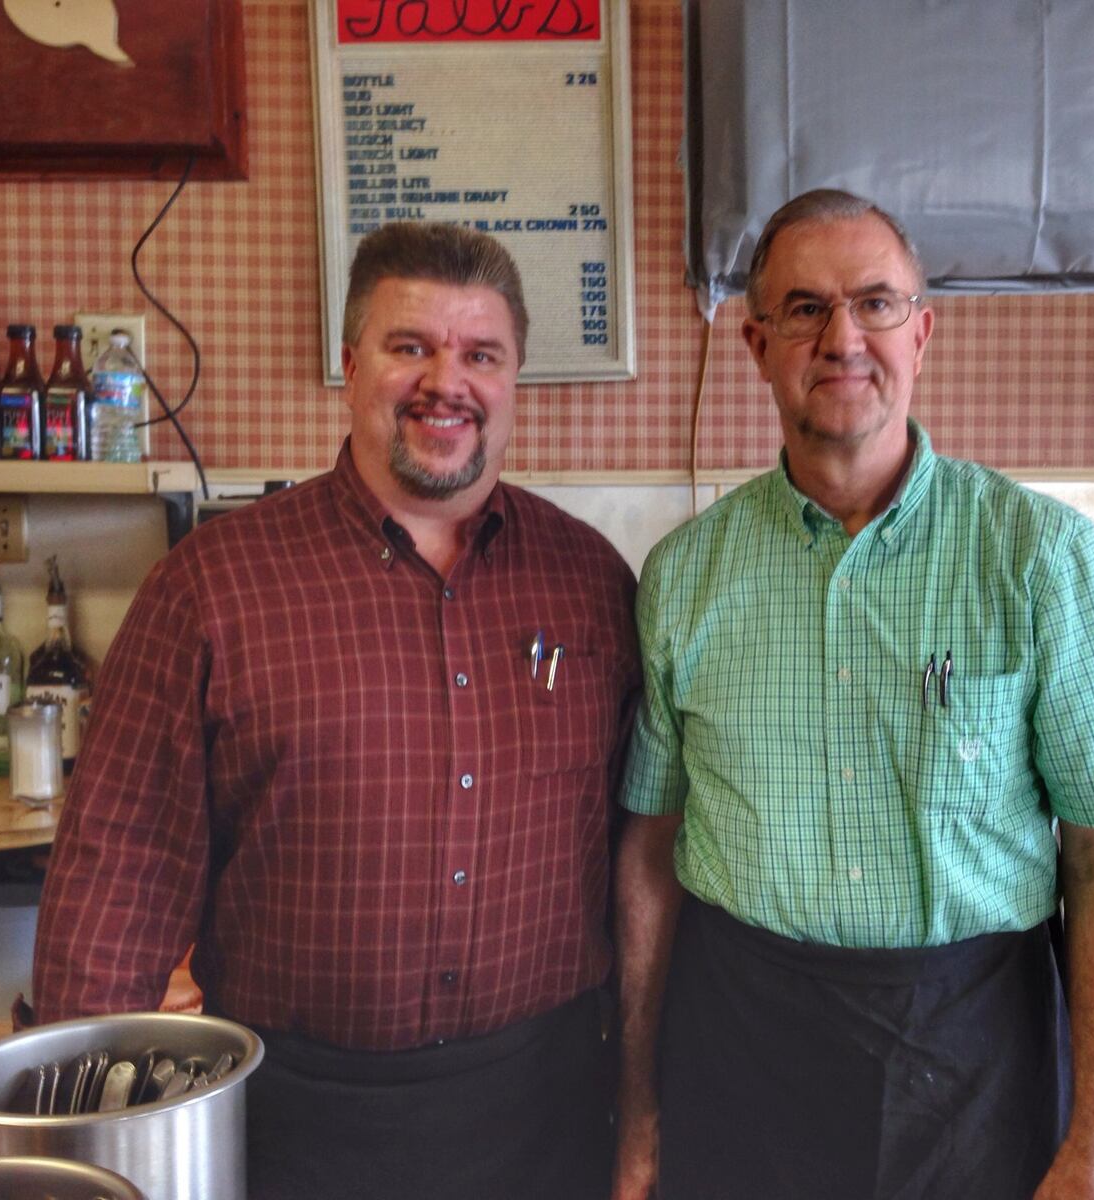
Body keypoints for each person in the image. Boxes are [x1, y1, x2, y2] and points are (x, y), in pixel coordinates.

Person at [33, 222, 639, 1200]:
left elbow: (638, 855)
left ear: (514, 377)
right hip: (297, 1122)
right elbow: (117, 878)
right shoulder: (211, 589)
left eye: (480, 354)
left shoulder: (591, 584)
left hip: (547, 1112)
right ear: (351, 365)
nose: (448, 381)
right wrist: (76, 1138)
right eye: (411, 348)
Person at [611, 189, 1094, 1200]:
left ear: (922, 331)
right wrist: (639, 1116)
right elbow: (649, 853)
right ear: (756, 343)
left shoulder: (1037, 557)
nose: (842, 337)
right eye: (804, 308)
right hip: (740, 1053)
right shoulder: (684, 577)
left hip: (976, 1057)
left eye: (874, 303)